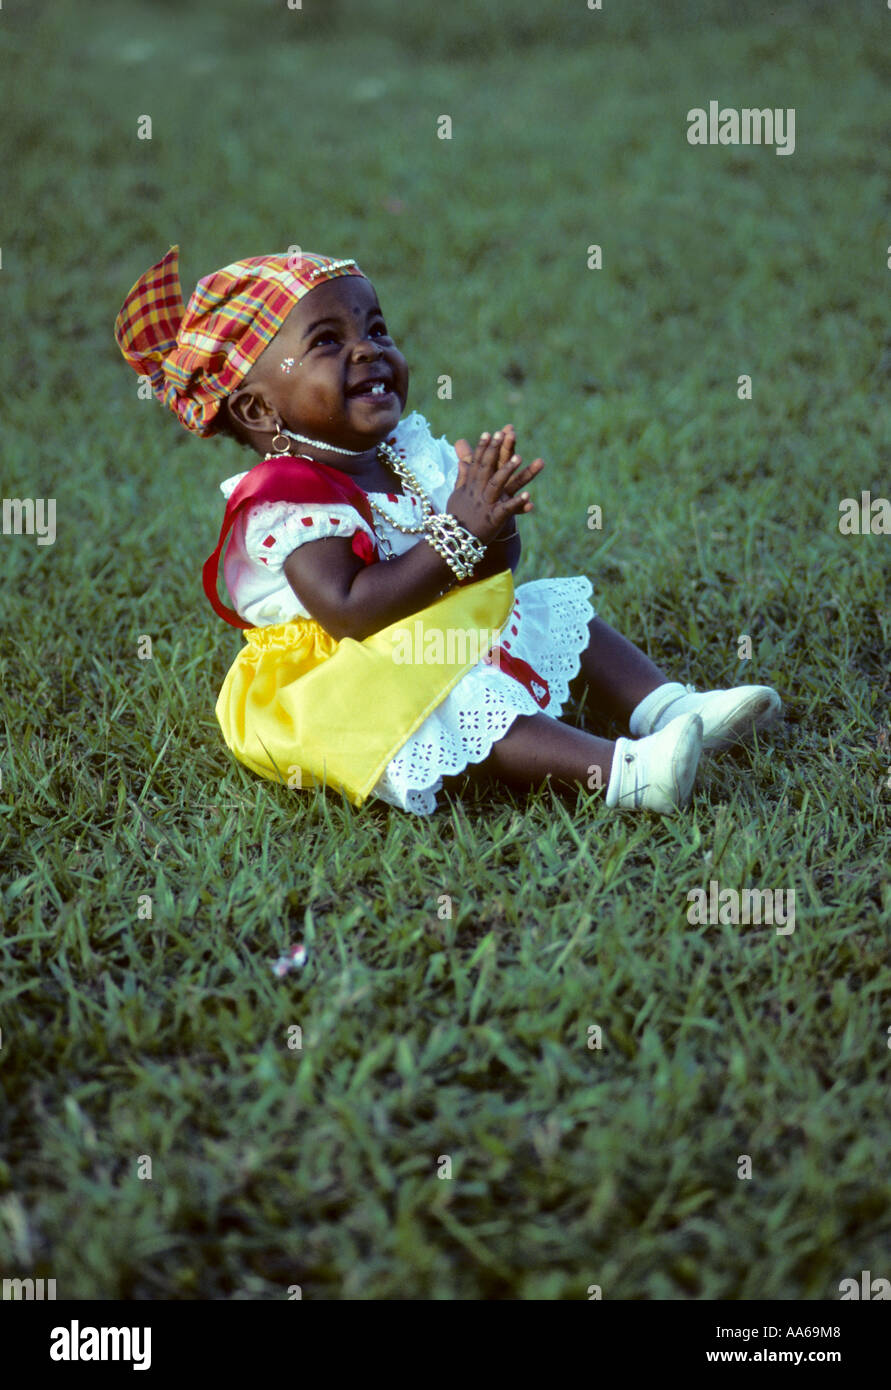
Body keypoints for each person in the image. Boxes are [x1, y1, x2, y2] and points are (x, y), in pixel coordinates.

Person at [114, 246, 782, 817]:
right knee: (463, 695)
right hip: (346, 677)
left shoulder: (407, 451)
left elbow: (495, 570)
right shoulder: (287, 499)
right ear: (258, 407)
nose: (367, 349)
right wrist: (457, 535)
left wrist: (489, 518)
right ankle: (625, 774)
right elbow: (350, 612)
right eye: (327, 342)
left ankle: (668, 706)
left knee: (543, 609)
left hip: (424, 629)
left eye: (376, 328)